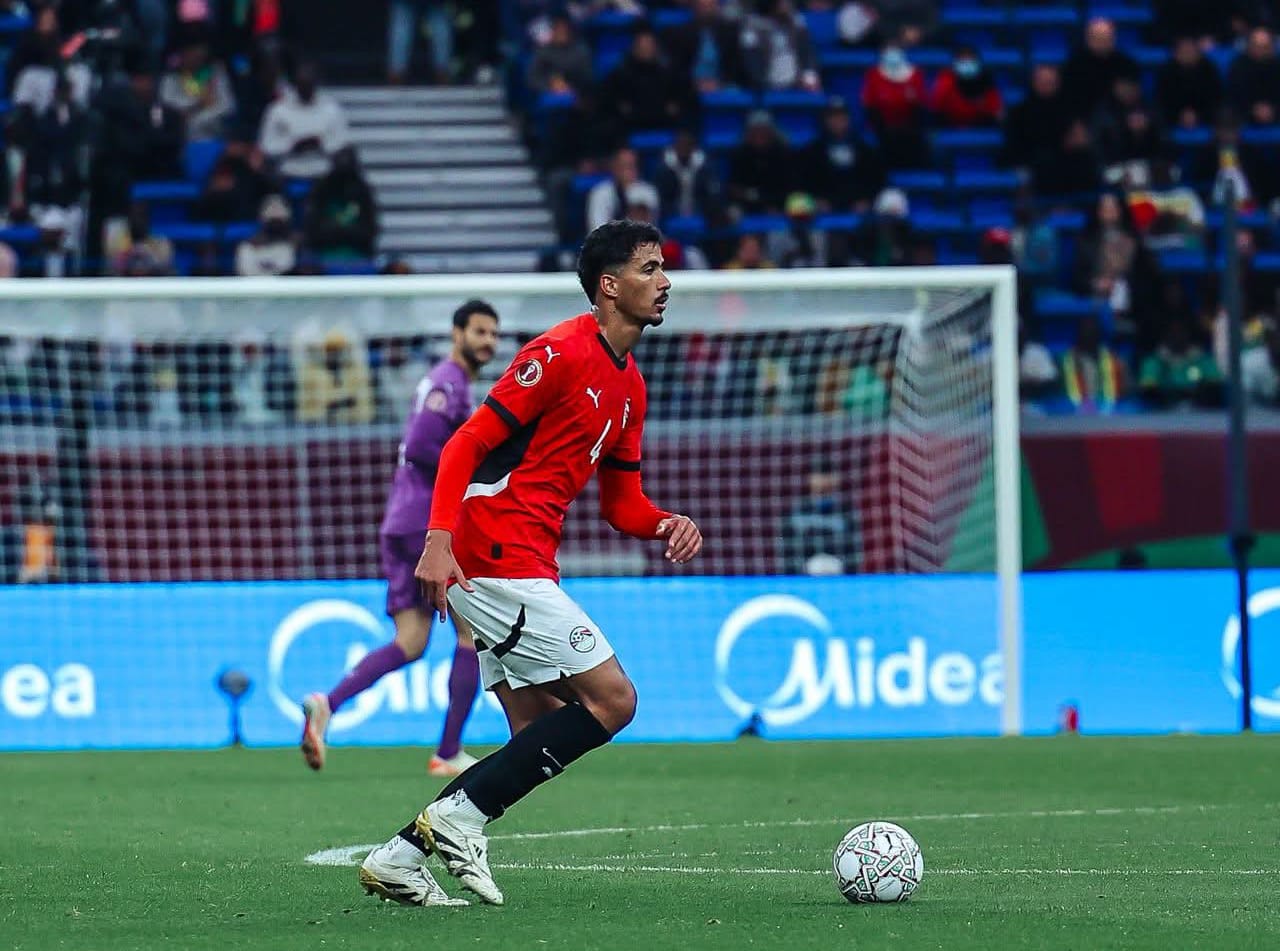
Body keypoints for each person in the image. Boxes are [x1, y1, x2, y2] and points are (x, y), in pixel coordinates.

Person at [357, 220, 702, 907]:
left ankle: (400, 855)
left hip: (525, 557)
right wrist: (437, 539)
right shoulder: (558, 352)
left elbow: (622, 503)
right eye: (650, 268)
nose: (665, 282)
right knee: (615, 700)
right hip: (491, 550)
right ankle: (459, 819)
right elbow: (464, 443)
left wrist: (665, 520)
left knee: (537, 726)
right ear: (610, 285)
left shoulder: (631, 387)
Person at [301, 300, 501, 777]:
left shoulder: (445, 384)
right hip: (429, 525)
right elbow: (423, 445)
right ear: (456, 334)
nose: (488, 342)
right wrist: (476, 467)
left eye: (494, 334)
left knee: (410, 641)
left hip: (402, 519)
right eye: (479, 332)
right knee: (472, 632)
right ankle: (448, 751)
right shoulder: (448, 384)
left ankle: (327, 704)